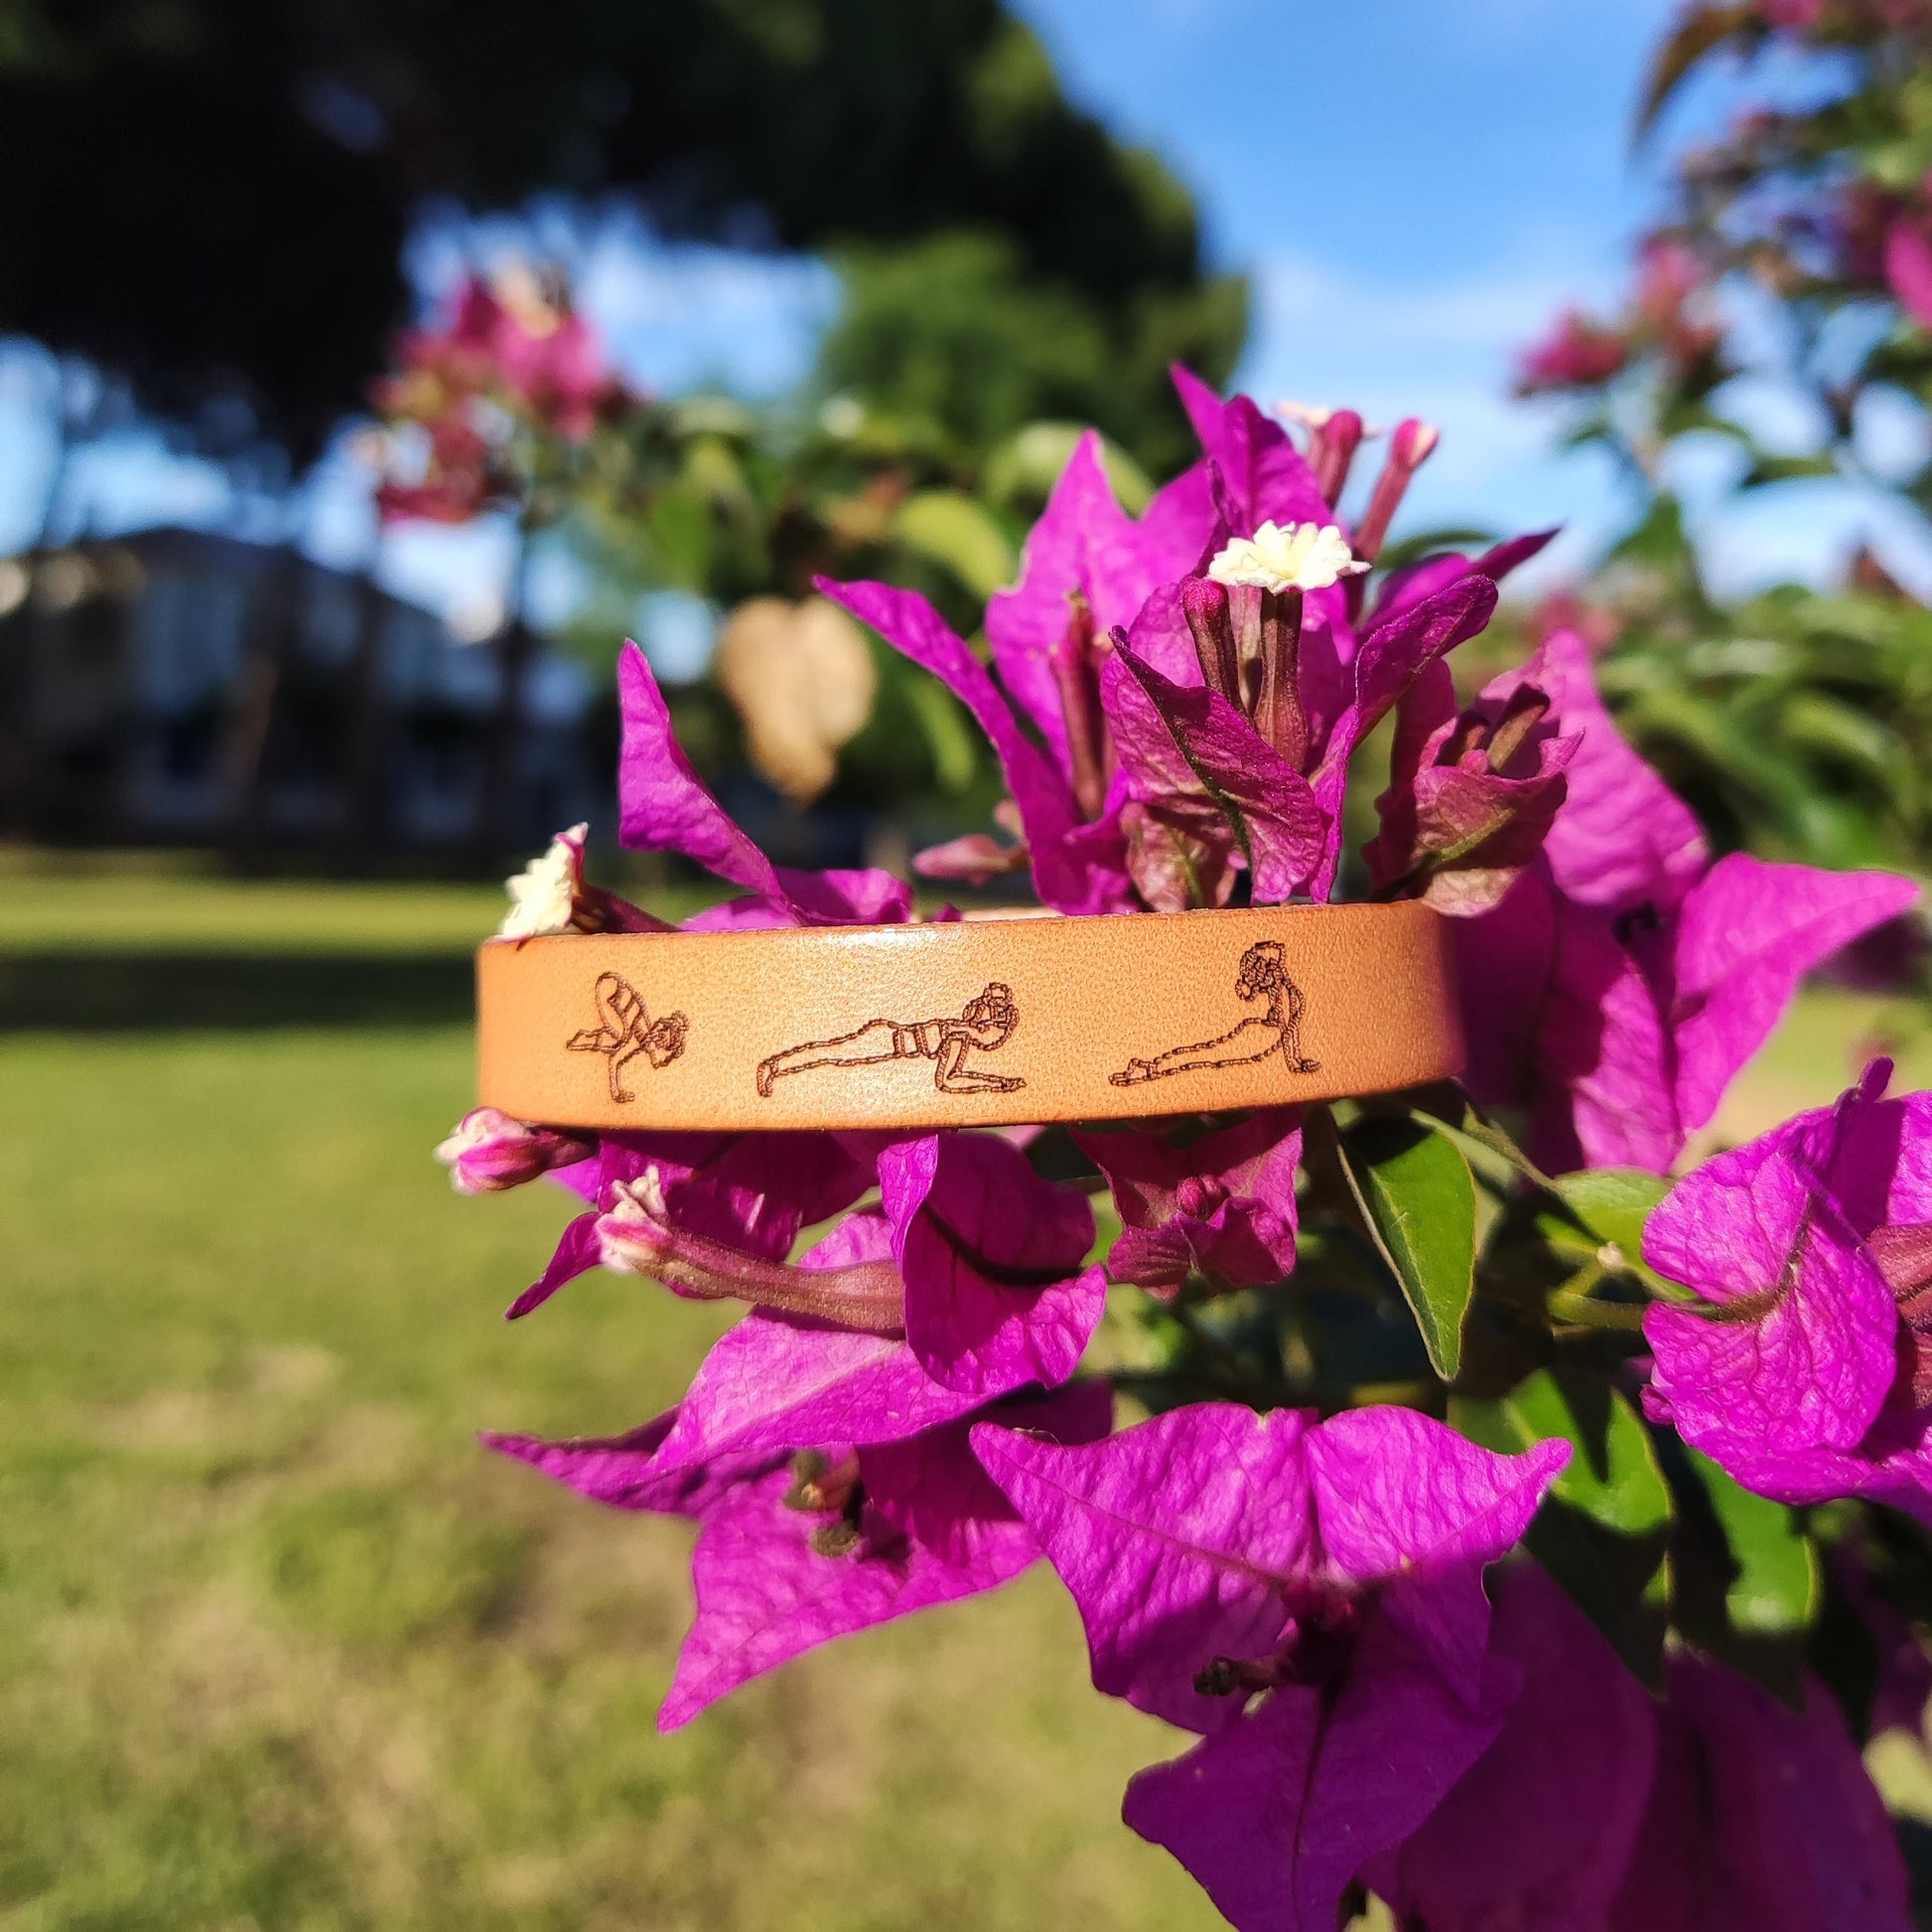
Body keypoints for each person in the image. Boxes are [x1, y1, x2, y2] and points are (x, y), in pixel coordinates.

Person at [1109, 940, 1317, 1087]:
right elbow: (1276, 950)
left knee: (1211, 1053)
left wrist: (1295, 1063)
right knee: (1210, 1051)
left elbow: (1290, 1028)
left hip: (1261, 1035)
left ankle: (1152, 1067)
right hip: (1257, 1033)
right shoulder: (1279, 986)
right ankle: (1152, 1067)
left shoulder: (1284, 989)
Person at [757, 983, 1024, 1098]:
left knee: (828, 1052)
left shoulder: (959, 1037)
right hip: (884, 1040)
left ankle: (776, 1066)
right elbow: (949, 1079)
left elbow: (949, 1079)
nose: (993, 1013)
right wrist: (998, 1083)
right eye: (993, 1007)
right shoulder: (959, 1034)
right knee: (828, 1051)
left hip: (886, 1039)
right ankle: (774, 1065)